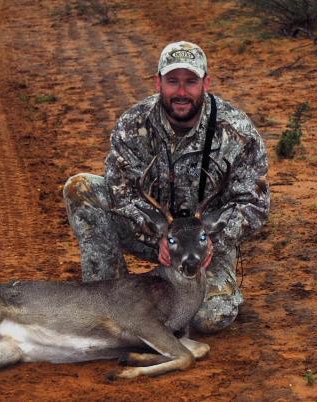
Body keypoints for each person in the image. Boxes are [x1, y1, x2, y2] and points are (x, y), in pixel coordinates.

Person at [63, 41, 269, 333]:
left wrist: (213, 238)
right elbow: (120, 190)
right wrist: (155, 232)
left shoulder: (237, 131)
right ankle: (107, 297)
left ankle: (195, 288)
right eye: (173, 82)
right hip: (151, 233)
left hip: (204, 245)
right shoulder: (134, 124)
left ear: (206, 83)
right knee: (80, 188)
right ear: (158, 82)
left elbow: (254, 204)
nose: (181, 92)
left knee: (208, 318)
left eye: (191, 82)